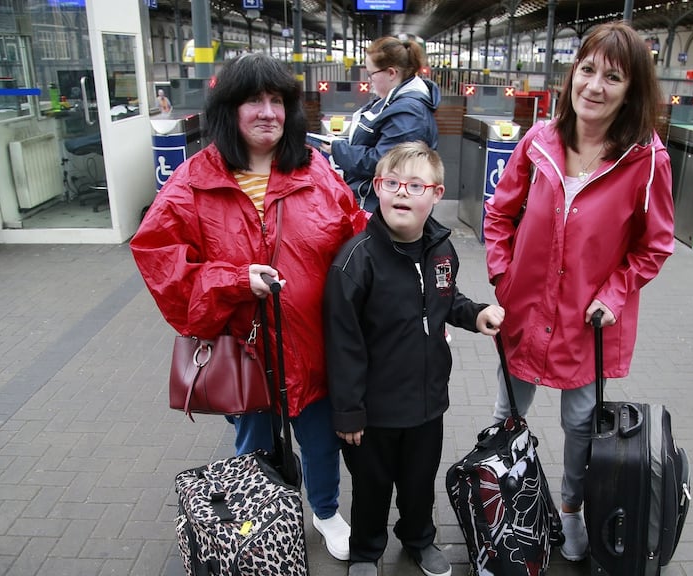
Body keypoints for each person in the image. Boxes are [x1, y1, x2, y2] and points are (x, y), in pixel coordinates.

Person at [130, 53, 366, 562]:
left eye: (277, 100)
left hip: (313, 345)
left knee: (321, 441)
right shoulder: (194, 181)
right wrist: (233, 280)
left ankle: (325, 512)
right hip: (244, 350)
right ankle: (254, 516)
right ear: (229, 110)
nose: (267, 112)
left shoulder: (316, 170)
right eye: (253, 100)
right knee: (253, 446)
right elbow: (159, 259)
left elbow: (356, 241)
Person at [481, 21, 675, 562]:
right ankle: (501, 499)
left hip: (587, 323)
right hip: (526, 310)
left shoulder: (646, 159)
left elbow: (655, 246)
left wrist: (613, 296)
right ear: (572, 75)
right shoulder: (539, 140)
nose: (594, 86)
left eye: (612, 77)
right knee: (507, 412)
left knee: (580, 424)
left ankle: (569, 510)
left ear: (632, 89)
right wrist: (503, 275)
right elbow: (499, 215)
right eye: (587, 70)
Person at [323, 142, 505, 576]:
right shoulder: (356, 261)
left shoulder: (442, 250)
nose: (402, 193)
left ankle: (419, 538)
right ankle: (367, 551)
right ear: (378, 189)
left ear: (436, 194)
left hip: (427, 404)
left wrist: (475, 312)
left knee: (419, 483)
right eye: (392, 183)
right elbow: (342, 344)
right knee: (371, 487)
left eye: (415, 185)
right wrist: (348, 412)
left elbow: (445, 300)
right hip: (375, 412)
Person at [325, 36, 440, 213]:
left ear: (391, 73)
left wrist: (339, 149)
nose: (370, 80)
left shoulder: (409, 113)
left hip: (383, 210)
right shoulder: (393, 101)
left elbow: (384, 162)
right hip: (379, 205)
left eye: (372, 74)